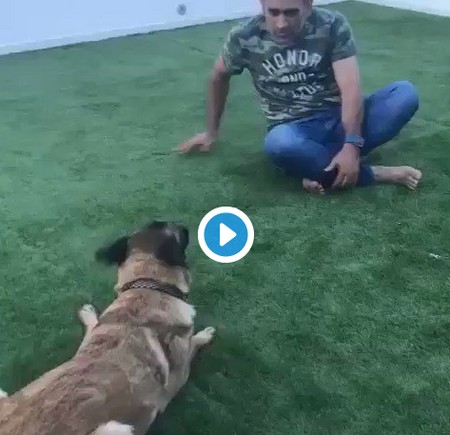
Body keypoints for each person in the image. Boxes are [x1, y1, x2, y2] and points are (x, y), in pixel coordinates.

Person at [177, 0, 422, 194]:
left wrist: (352, 145)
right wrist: (211, 132)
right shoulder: (244, 36)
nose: (281, 23)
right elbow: (218, 76)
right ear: (262, 5)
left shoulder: (332, 25)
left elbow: (350, 88)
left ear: (308, 4)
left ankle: (315, 167)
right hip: (293, 130)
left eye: (291, 13)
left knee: (404, 94)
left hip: (339, 117)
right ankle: (376, 173)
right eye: (273, 12)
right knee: (279, 144)